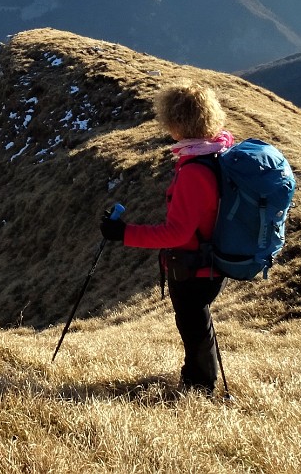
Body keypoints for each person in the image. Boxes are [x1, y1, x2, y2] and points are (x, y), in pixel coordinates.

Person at [99, 79, 233, 392]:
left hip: (193, 265)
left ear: (176, 122)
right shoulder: (218, 154)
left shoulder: (194, 172)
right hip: (211, 258)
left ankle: (198, 385)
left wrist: (123, 233)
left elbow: (176, 232)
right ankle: (198, 377)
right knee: (197, 321)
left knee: (192, 322)